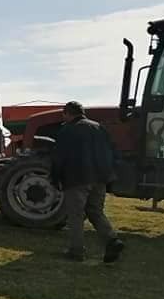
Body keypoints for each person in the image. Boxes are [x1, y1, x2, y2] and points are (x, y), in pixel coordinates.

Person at [50, 101, 124, 263]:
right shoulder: (99, 128)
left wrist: (55, 178)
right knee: (95, 211)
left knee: (75, 215)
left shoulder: (67, 130)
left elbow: (59, 158)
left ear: (68, 114)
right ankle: (112, 240)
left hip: (77, 178)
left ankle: (76, 251)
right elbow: (112, 151)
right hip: (100, 178)